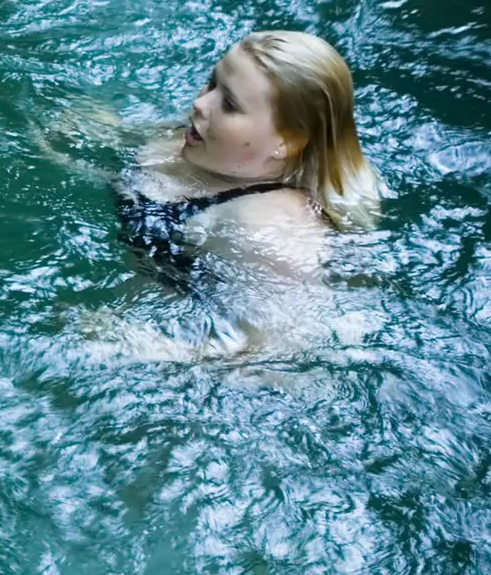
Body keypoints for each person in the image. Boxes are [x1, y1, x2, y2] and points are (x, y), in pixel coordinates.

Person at [78, 30, 381, 360]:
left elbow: (282, 358)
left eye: (230, 104)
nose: (200, 103)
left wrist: (136, 347)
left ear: (287, 143)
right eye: (212, 83)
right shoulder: (202, 145)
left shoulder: (266, 227)